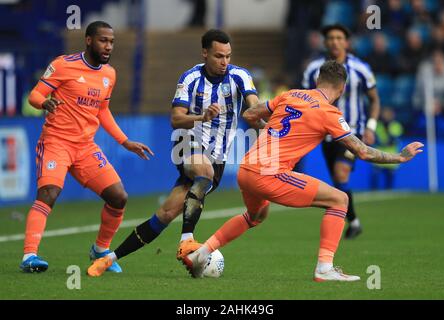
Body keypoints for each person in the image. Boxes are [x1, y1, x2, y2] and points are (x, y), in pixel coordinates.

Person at [183, 60, 423, 281]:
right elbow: (362, 151)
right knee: (340, 200)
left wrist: (272, 131)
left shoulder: (291, 94)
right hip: (270, 174)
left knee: (256, 216)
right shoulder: (329, 112)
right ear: (342, 90)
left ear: (317, 81)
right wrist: (399, 157)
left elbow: (249, 114)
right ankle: (325, 268)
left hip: (246, 170)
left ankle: (201, 253)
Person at [87, 29, 263, 277]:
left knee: (167, 212)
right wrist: (202, 117)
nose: (224, 62)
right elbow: (176, 119)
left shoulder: (240, 76)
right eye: (218, 56)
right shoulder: (190, 79)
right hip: (188, 143)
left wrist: (263, 122)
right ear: (205, 53)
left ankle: (108, 259)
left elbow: (254, 107)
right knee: (203, 170)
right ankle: (187, 240)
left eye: (228, 56)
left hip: (218, 157)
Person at [20, 21, 153, 273]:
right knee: (49, 193)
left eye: (112, 42)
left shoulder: (109, 74)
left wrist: (125, 142)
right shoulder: (63, 64)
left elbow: (102, 110)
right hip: (56, 142)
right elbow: (34, 95)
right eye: (103, 40)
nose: (108, 46)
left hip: (85, 147)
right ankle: (29, 256)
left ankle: (100, 249)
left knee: (118, 197)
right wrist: (44, 103)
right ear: (89, 40)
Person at [301, 24, 381, 239]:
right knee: (338, 181)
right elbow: (305, 99)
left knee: (340, 173)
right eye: (331, 38)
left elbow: (374, 99)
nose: (335, 42)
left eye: (339, 38)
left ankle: (346, 217)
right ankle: (353, 221)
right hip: (325, 134)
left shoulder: (361, 69)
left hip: (351, 131)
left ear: (346, 42)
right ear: (325, 42)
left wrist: (370, 127)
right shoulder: (313, 69)